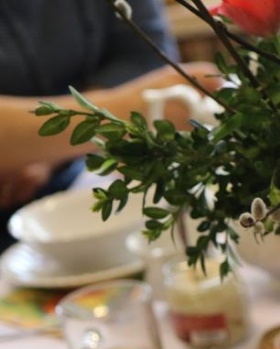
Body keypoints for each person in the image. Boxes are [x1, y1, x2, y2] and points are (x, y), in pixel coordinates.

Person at [0, 0, 217, 252]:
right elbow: (161, 91)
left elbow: (142, 52)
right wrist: (131, 107)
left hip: (77, 181)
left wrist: (43, 148)